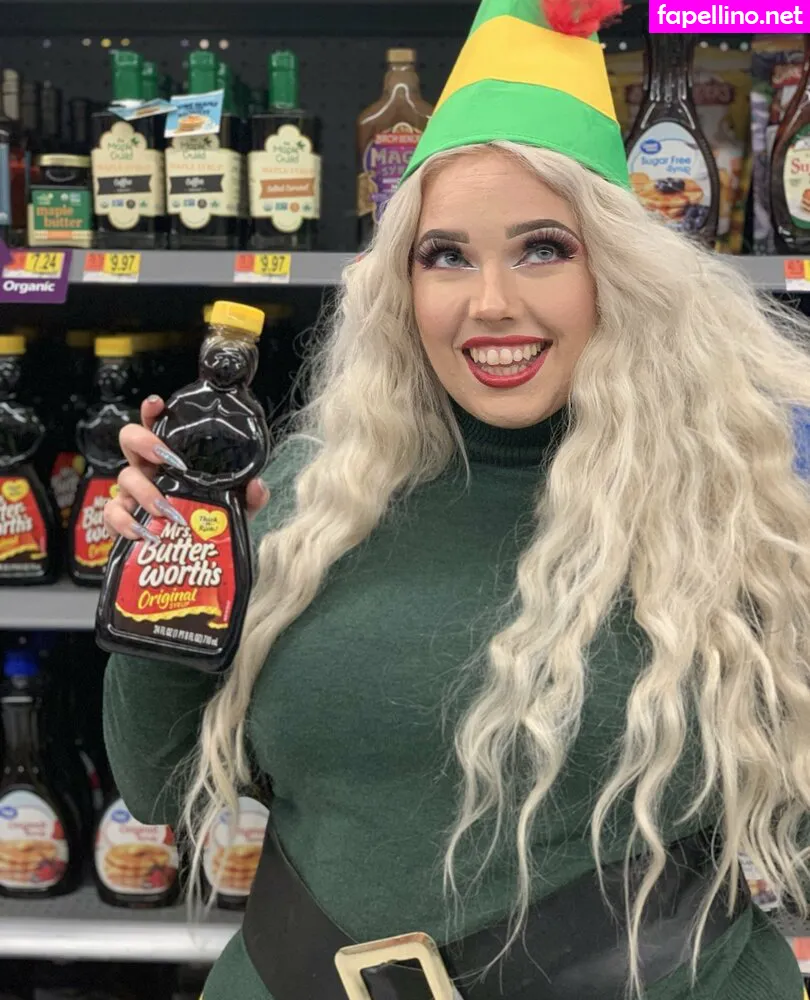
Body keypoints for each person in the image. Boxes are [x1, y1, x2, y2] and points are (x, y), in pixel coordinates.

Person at [101, 0, 810, 998]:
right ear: (402, 285)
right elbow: (153, 780)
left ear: (624, 271)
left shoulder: (742, 508)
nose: (491, 304)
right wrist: (156, 570)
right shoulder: (303, 500)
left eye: (543, 249)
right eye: (447, 256)